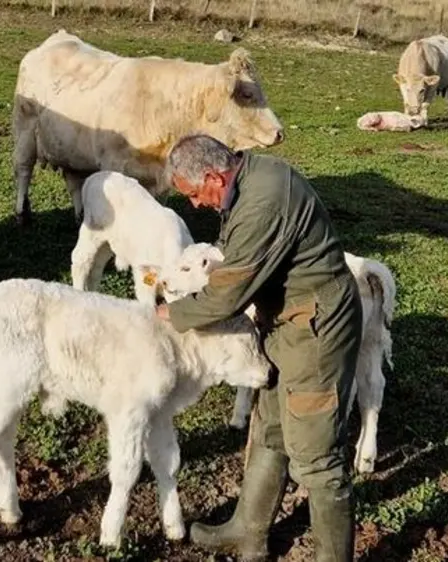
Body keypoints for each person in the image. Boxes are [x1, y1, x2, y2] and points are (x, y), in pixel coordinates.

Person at [155, 133, 362, 562]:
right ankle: (247, 532)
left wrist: (172, 315)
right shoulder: (249, 179)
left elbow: (227, 293)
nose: (195, 205)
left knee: (318, 453)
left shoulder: (261, 202)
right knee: (270, 429)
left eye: (195, 194)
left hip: (315, 329)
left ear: (214, 175)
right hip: (285, 322)